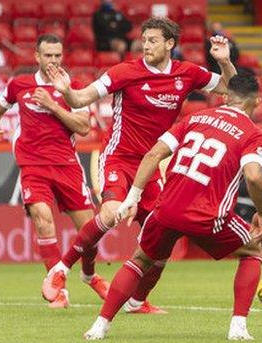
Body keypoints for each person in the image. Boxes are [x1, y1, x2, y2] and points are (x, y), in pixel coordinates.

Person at [40, 17, 237, 314]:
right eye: (144, 40)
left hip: (149, 165)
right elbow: (81, 99)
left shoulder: (188, 73)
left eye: (153, 40)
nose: (146, 45)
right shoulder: (125, 72)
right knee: (110, 213)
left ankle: (136, 301)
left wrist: (224, 61)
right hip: (119, 157)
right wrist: (66, 91)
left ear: (170, 44)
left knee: (164, 234)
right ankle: (61, 269)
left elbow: (231, 88)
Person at [83, 73, 262, 341]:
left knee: (139, 260)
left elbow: (153, 154)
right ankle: (238, 327)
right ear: (257, 102)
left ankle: (100, 326)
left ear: (225, 97)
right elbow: (253, 176)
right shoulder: (252, 134)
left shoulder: (194, 118)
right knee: (253, 250)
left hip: (166, 208)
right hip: (207, 214)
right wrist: (261, 214)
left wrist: (133, 196)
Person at [0, 34, 108, 308]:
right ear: (36, 57)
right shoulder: (20, 84)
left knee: (89, 230)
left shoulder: (72, 88)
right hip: (33, 164)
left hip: (66, 165)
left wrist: (54, 105)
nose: (53, 60)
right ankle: (58, 288)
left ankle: (89, 274)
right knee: (41, 217)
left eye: (57, 55)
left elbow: (83, 127)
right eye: (48, 55)